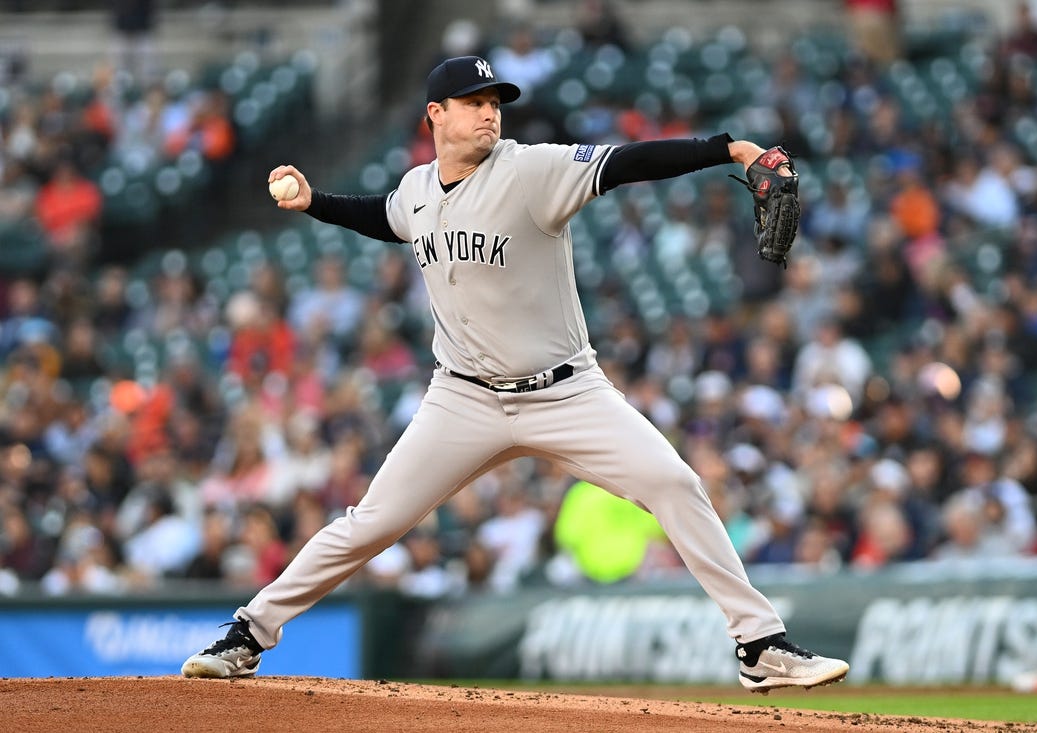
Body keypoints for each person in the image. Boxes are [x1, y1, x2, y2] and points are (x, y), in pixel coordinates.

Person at [181, 55, 849, 693]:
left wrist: (729, 148)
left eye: (494, 102)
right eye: (473, 102)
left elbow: (628, 163)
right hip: (462, 399)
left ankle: (759, 644)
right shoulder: (417, 190)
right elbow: (383, 216)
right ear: (435, 115)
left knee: (674, 484)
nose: (489, 113)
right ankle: (248, 632)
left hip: (566, 391)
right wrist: (314, 202)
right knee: (371, 523)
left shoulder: (532, 170)